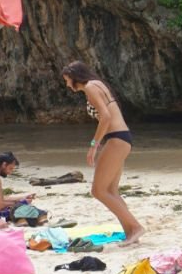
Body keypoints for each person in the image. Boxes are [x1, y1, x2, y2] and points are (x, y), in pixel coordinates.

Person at [62, 61, 144, 245]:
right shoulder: (98, 84)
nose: (67, 85)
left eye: (67, 80)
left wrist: (94, 145)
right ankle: (130, 232)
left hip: (116, 138)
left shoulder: (90, 87)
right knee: (111, 190)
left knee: (98, 191)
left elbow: (105, 116)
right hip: (122, 138)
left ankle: (136, 227)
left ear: (75, 77)